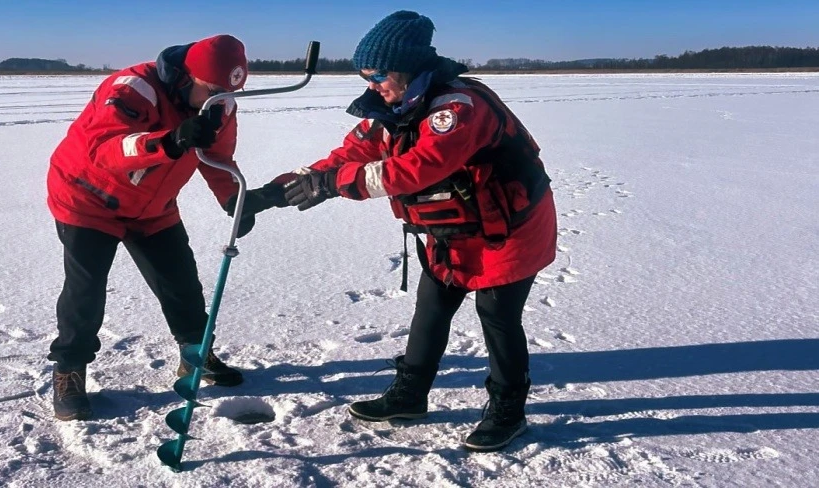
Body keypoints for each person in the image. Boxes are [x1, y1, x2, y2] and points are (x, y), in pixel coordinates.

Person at [280, 11, 557, 452]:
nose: (370, 84)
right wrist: (282, 188)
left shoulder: (459, 108)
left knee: (498, 317)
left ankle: (508, 409)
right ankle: (409, 395)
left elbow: (416, 169)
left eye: (377, 74)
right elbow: (351, 152)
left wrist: (335, 185)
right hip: (454, 231)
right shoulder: (395, 107)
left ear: (407, 68)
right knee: (431, 307)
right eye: (364, 75)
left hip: (510, 231)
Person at [46, 34, 278, 421]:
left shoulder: (220, 105)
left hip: (153, 206)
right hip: (88, 199)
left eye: (227, 93)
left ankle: (195, 355)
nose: (217, 101)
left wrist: (232, 198)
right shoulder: (133, 88)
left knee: (181, 284)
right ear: (186, 76)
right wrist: (169, 141)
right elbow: (104, 148)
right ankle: (69, 369)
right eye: (212, 90)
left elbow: (216, 155)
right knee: (85, 290)